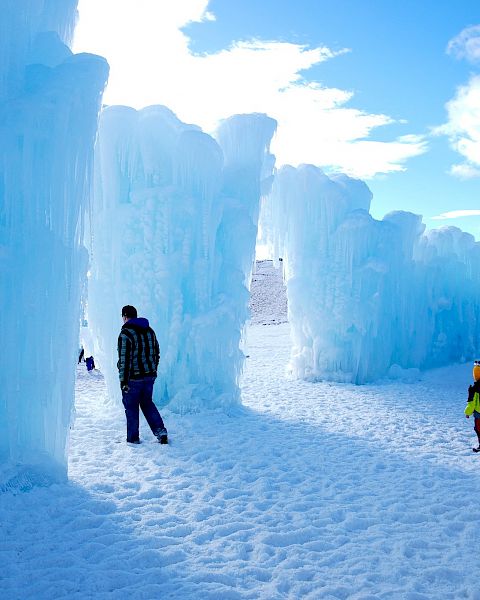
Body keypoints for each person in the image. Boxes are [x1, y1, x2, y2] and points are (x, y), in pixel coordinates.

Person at [117, 305, 168, 445]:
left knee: (131, 407)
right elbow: (156, 352)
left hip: (133, 378)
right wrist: (153, 370)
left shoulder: (126, 333)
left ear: (125, 316)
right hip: (149, 376)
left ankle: (133, 439)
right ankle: (161, 431)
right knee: (147, 403)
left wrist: (123, 381)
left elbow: (124, 359)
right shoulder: (150, 331)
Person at [465, 360, 480, 453]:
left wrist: (467, 412)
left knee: (478, 429)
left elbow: (471, 403)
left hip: (479, 414)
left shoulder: (474, 389)